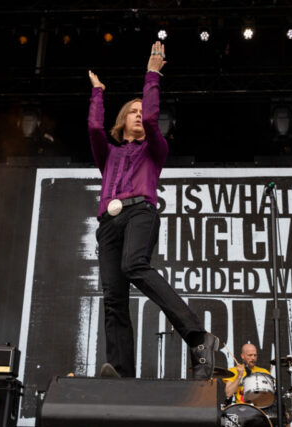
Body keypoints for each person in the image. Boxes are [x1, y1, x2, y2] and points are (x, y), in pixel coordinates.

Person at [87, 41, 218, 380]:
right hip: (107, 224)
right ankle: (120, 371)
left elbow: (150, 116)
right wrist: (98, 93)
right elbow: (95, 129)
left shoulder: (155, 149)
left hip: (140, 213)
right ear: (122, 119)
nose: (139, 115)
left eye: (141, 111)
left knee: (134, 265)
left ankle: (197, 337)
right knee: (113, 298)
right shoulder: (109, 154)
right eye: (132, 111)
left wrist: (152, 75)